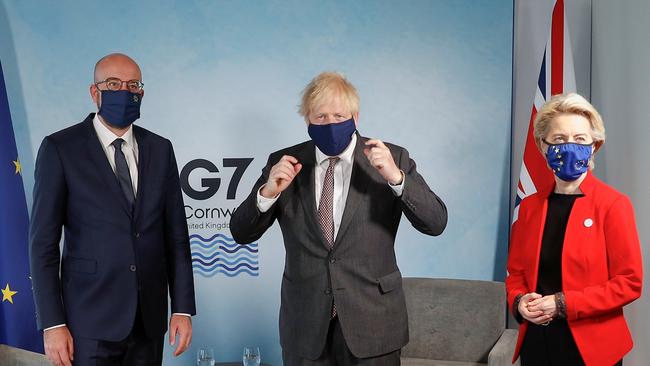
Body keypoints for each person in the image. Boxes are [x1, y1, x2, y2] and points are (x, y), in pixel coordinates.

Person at [230, 71, 447, 365]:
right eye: (320, 117)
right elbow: (241, 233)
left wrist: (396, 178)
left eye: (338, 115)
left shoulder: (391, 157)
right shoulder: (284, 162)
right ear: (307, 119)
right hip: (305, 326)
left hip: (374, 325)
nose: (330, 124)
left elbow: (435, 222)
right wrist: (268, 193)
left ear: (355, 117)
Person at [29, 53, 196, 366]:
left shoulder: (161, 149)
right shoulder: (60, 148)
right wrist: (53, 324)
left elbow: (176, 236)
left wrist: (183, 309)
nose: (125, 91)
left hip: (149, 321)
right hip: (88, 322)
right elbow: (43, 245)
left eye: (133, 85)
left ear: (142, 92)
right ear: (95, 92)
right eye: (114, 84)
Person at [505, 93, 643, 366]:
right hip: (537, 341)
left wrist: (562, 303)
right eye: (558, 139)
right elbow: (516, 273)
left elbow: (629, 283)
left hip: (593, 348)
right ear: (542, 145)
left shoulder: (613, 204)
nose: (569, 147)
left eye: (580, 139)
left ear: (594, 146)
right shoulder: (531, 206)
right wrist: (519, 302)